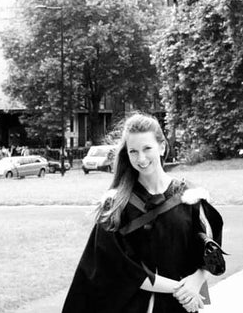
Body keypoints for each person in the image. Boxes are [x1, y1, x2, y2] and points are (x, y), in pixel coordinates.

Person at [62, 113, 226, 313]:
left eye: (147, 148)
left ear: (162, 147)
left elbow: (210, 250)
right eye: (133, 151)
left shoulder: (189, 197)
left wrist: (197, 280)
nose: (141, 158)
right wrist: (183, 289)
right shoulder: (116, 205)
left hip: (179, 307)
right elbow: (121, 267)